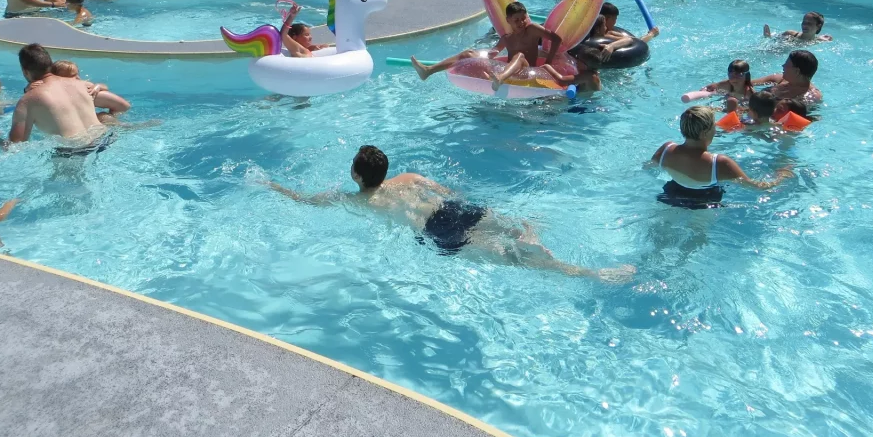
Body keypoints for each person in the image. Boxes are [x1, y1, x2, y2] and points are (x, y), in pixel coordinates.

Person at [268, 145, 633, 281]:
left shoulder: (359, 200)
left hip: (435, 230)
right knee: (508, 229)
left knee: (516, 261)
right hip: (455, 209)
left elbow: (308, 200)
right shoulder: (409, 177)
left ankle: (591, 274)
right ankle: (525, 232)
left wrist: (274, 187)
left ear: (355, 175)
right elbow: (449, 191)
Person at [650, 106, 793, 207]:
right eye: (714, 126)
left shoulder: (666, 149)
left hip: (669, 197)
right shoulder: (718, 163)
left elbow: (648, 168)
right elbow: (757, 187)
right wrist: (782, 176)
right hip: (704, 205)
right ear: (705, 132)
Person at [411, 1, 562, 83]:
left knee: (519, 56)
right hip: (508, 73)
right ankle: (428, 70)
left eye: (523, 18)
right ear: (508, 20)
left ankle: (500, 79)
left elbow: (556, 39)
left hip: (528, 72)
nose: (521, 23)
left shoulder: (532, 29)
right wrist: (478, 56)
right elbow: (493, 53)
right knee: (468, 53)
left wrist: (548, 61)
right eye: (517, 20)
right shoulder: (506, 38)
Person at [4, 44, 118, 149]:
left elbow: (15, 145)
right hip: (106, 139)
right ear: (50, 64)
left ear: (25, 71)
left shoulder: (28, 100)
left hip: (74, 151)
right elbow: (121, 105)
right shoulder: (84, 85)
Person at [754, 50, 822, 105]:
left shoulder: (811, 96)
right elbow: (748, 83)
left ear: (796, 71)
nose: (783, 66)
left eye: (786, 64)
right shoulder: (779, 79)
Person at [764, 11, 832, 42]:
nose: (805, 25)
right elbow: (774, 39)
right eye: (804, 22)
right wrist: (768, 36)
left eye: (809, 23)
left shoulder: (817, 40)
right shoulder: (790, 34)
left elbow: (828, 38)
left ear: (818, 26)